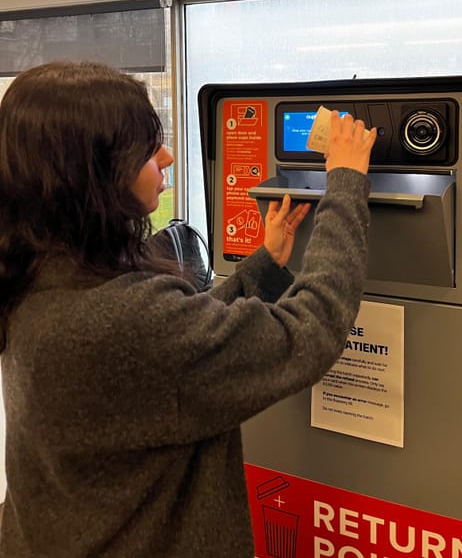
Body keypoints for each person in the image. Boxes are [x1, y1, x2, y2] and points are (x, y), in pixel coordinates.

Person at [0, 61, 376, 557]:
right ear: (92, 174)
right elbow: (310, 332)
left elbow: (167, 359)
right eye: (145, 149)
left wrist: (260, 268)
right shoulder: (118, 320)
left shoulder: (35, 282)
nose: (168, 157)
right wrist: (346, 187)